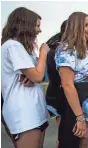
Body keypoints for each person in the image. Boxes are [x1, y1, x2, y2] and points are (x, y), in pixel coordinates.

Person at [55, 12, 88, 148]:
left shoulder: (86, 49)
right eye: (86, 25)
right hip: (81, 102)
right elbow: (67, 85)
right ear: (76, 27)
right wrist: (79, 117)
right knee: (82, 142)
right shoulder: (66, 49)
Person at [1, 7, 49, 148]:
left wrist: (31, 75)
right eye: (37, 26)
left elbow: (36, 73)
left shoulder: (23, 48)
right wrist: (43, 52)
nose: (39, 30)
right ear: (25, 25)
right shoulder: (12, 46)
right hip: (25, 115)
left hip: (35, 111)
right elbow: (38, 76)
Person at [46, 20, 67, 147]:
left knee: (63, 135)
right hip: (60, 97)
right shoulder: (58, 50)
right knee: (63, 136)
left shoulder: (55, 47)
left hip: (58, 95)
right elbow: (57, 77)